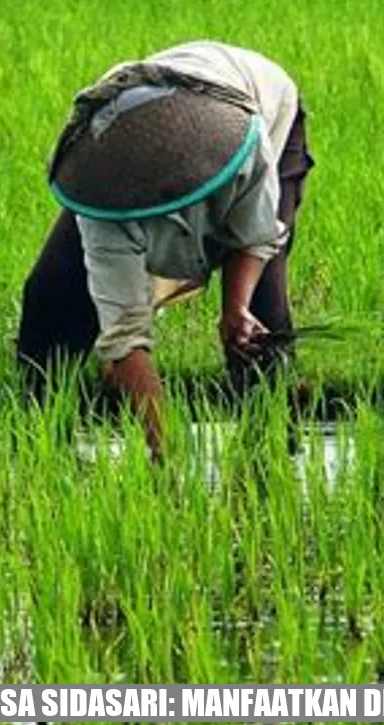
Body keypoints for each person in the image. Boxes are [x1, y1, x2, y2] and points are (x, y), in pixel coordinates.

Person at [16, 40, 315, 461]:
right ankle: (37, 437)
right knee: (53, 293)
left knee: (260, 328)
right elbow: (125, 336)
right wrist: (166, 446)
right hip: (146, 115)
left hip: (257, 103)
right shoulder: (103, 191)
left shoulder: (243, 145)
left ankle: (271, 448)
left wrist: (235, 308)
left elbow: (256, 235)